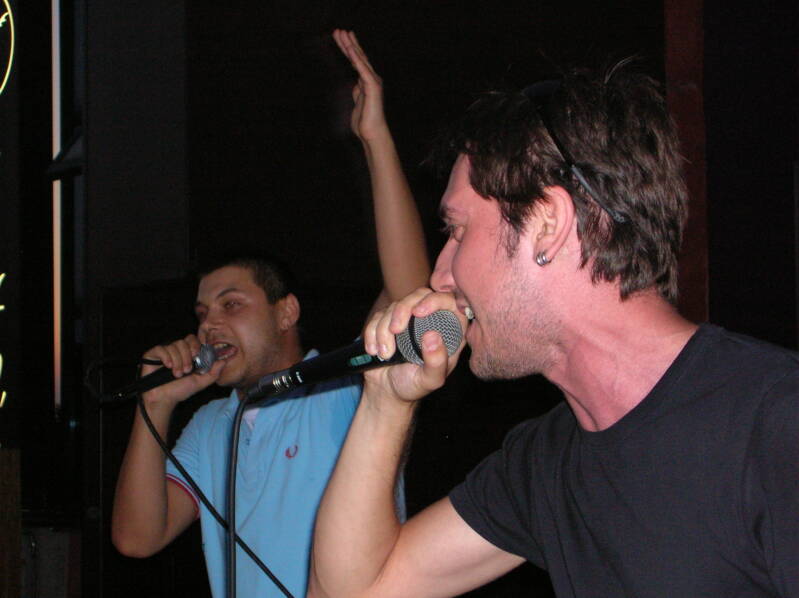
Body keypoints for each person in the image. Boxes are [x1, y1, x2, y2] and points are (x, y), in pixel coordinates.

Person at [308, 62, 799, 597]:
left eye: (457, 231)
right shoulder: (545, 463)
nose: (440, 275)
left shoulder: (774, 427)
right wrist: (385, 402)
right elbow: (355, 591)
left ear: (547, 224)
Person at [111, 29, 430, 598]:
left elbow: (409, 292)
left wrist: (375, 138)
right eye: (203, 311)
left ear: (287, 313)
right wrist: (155, 405)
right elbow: (137, 538)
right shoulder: (212, 426)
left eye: (232, 305)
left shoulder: (342, 386)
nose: (209, 323)